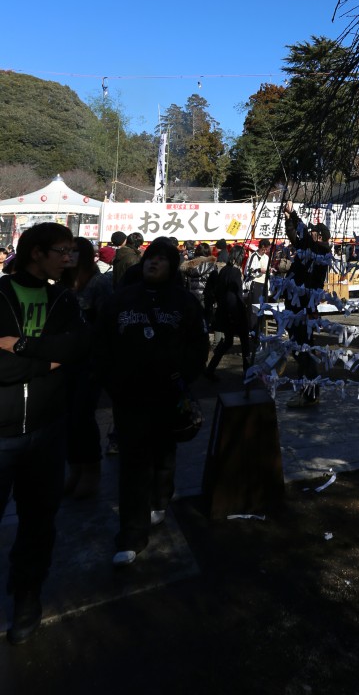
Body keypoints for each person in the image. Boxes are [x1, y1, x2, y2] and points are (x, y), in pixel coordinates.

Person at [94, 239, 208, 566]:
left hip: (169, 395)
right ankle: (131, 534)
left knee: (164, 452)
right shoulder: (120, 299)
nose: (152, 263)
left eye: (161, 259)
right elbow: (101, 344)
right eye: (149, 258)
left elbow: (199, 344)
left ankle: (160, 499)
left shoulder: (185, 302)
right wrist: (112, 382)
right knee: (133, 463)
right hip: (129, 396)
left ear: (172, 265)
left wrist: (183, 377)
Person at [0, 223, 88, 644]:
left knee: (38, 522)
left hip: (48, 429)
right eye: (62, 251)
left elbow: (76, 348)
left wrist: (17, 345)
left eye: (72, 252)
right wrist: (48, 359)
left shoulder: (63, 299)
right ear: (36, 252)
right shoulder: (0, 295)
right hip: (1, 432)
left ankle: (26, 596)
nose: (69, 259)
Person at [63, 237, 111, 499]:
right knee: (68, 418)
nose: (67, 256)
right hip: (64, 361)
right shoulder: (62, 283)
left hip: (90, 362)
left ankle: (91, 470)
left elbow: (107, 325)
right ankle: (75, 469)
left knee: (83, 416)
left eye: (72, 252)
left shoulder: (99, 283)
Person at [282, 206, 331, 408]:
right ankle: (307, 391)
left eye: (313, 233)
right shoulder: (311, 249)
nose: (309, 234)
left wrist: (293, 214)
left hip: (304, 308)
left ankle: (310, 394)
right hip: (298, 307)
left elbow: (303, 239)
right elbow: (297, 239)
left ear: (319, 236)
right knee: (300, 349)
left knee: (304, 350)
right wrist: (289, 220)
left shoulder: (321, 251)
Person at [204, 246, 253, 380]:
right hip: (235, 312)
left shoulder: (224, 270)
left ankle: (210, 369)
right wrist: (238, 312)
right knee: (244, 342)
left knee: (228, 342)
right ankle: (247, 372)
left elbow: (219, 292)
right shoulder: (235, 272)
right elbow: (234, 295)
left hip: (225, 311)